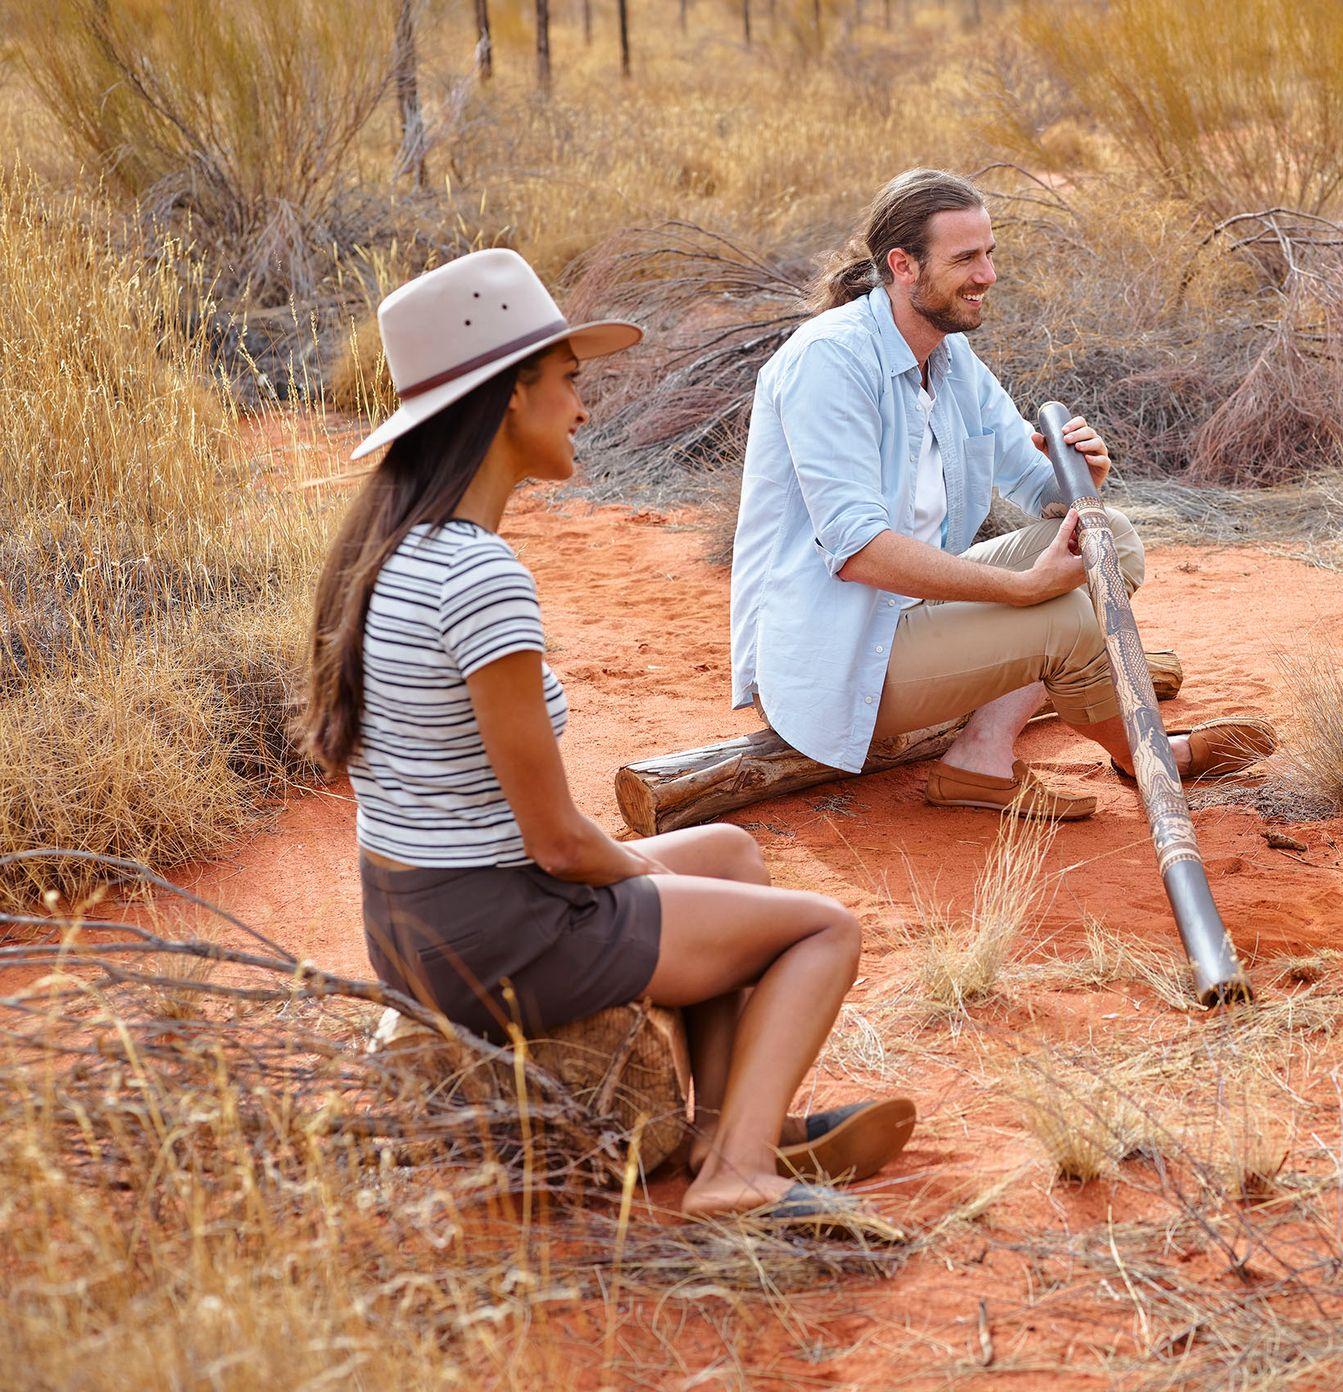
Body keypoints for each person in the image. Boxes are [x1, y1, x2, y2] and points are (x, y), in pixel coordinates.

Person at [300, 248, 914, 1221]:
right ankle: (739, 1177)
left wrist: (674, 881)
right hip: (496, 933)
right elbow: (553, 841)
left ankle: (718, 1128)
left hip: (409, 923)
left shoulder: (391, 550)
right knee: (823, 931)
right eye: (569, 382)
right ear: (510, 396)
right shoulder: (478, 575)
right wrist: (648, 881)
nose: (583, 408)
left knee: (730, 849)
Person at [729, 168, 1275, 820]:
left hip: (914, 612)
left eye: (989, 253)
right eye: (966, 258)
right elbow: (857, 552)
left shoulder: (952, 359)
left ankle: (981, 754)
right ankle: (1149, 756)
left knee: (1112, 541)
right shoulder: (831, 360)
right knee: (1069, 620)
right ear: (903, 265)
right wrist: (1018, 591)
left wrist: (1084, 478)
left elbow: (1043, 488)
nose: (987, 274)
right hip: (837, 653)